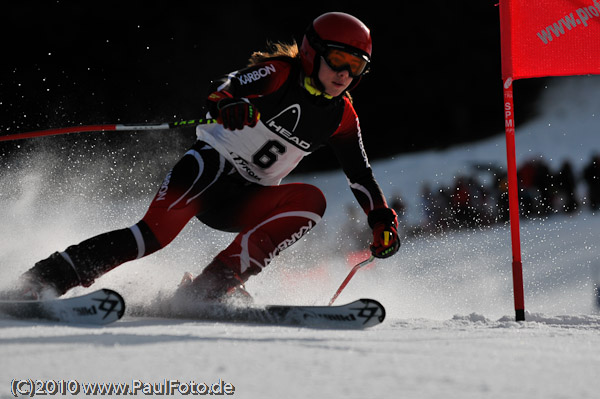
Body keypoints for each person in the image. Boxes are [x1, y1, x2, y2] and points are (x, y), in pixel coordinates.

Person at [12, 12, 401, 303]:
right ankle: (43, 279)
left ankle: (211, 288)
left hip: (245, 200)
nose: (345, 75)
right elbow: (226, 85)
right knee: (150, 237)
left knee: (311, 201)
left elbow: (361, 175)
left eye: (357, 68)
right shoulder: (281, 73)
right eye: (339, 61)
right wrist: (228, 105)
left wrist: (382, 221)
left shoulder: (342, 116)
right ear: (314, 53)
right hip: (208, 170)